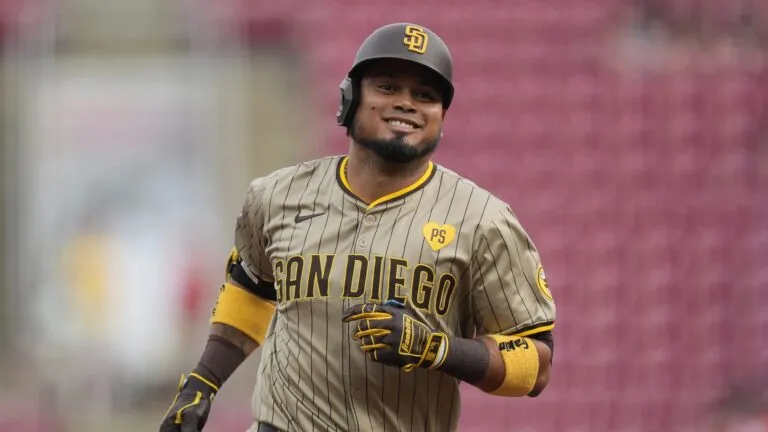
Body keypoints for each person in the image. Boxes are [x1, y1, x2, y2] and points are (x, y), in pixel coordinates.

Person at [159, 22, 557, 432]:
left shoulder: (483, 220)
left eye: (425, 95)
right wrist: (202, 382)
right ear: (350, 97)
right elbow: (252, 287)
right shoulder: (277, 196)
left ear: (441, 117)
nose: (407, 104)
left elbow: (536, 363)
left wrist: (436, 349)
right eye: (387, 87)